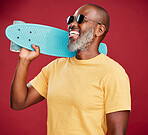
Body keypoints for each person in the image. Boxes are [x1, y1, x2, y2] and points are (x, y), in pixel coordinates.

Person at [10, 4, 131, 135]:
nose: (72, 24)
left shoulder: (113, 73)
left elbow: (117, 132)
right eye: (70, 19)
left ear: (99, 30)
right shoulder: (55, 67)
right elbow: (18, 102)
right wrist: (24, 60)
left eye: (80, 19)